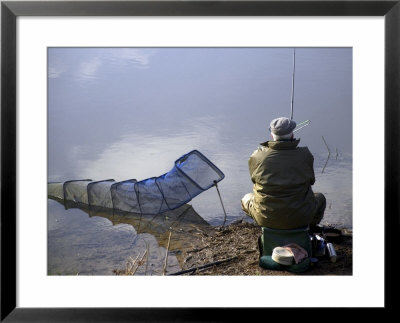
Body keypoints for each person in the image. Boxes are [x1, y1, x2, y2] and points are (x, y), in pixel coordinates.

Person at [241, 117, 326, 230]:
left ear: (272, 135)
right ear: (292, 135)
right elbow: (311, 181)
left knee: (246, 198)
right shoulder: (305, 155)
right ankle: (309, 227)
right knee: (320, 197)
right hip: (301, 218)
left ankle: (268, 227)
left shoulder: (257, 156)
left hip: (266, 217)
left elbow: (254, 180)